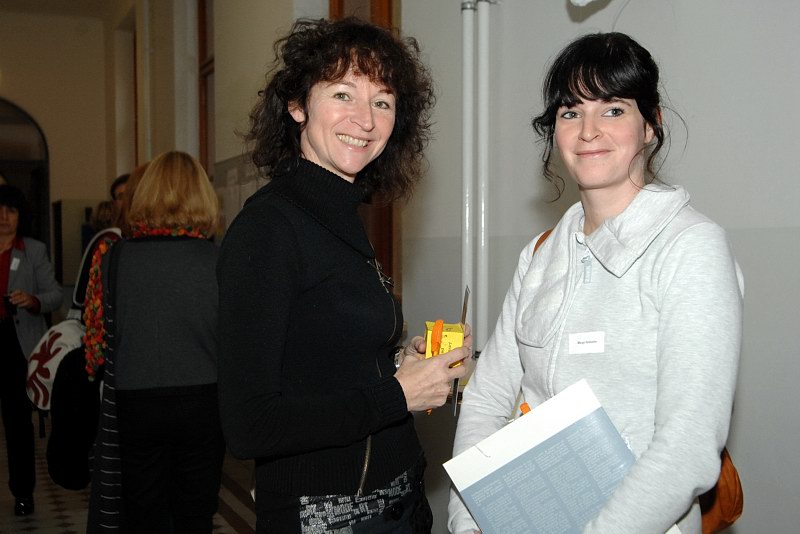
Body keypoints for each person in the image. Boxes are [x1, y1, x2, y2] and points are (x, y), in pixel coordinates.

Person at [448, 32, 744, 534]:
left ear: (650, 125)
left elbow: (689, 444)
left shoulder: (690, 247)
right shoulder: (540, 255)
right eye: (570, 112)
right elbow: (487, 399)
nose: (588, 131)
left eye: (613, 109)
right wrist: (468, 518)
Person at [217, 17, 470, 534]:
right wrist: (397, 395)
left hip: (399, 499)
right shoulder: (268, 228)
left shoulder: (343, 214)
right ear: (297, 105)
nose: (365, 119)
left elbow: (319, 360)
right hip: (328, 515)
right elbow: (250, 425)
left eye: (383, 101)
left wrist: (399, 364)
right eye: (342, 94)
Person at [86, 151, 224, 533]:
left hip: (136, 400)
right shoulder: (220, 259)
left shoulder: (114, 258)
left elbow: (97, 341)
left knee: (144, 515)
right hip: (203, 400)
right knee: (196, 515)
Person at [0, 184, 63, 516]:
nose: (3, 217)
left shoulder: (33, 250)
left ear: (20, 215)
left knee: (17, 423)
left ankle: (23, 492)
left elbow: (55, 295)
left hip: (17, 344)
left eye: (10, 210)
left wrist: (33, 300)